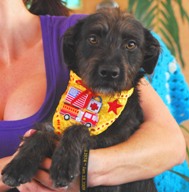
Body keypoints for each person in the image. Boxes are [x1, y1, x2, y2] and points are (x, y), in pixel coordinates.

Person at [0, 0, 187, 191]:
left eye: (129, 45)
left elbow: (171, 144)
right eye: (94, 41)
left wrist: (87, 169)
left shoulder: (78, 30)